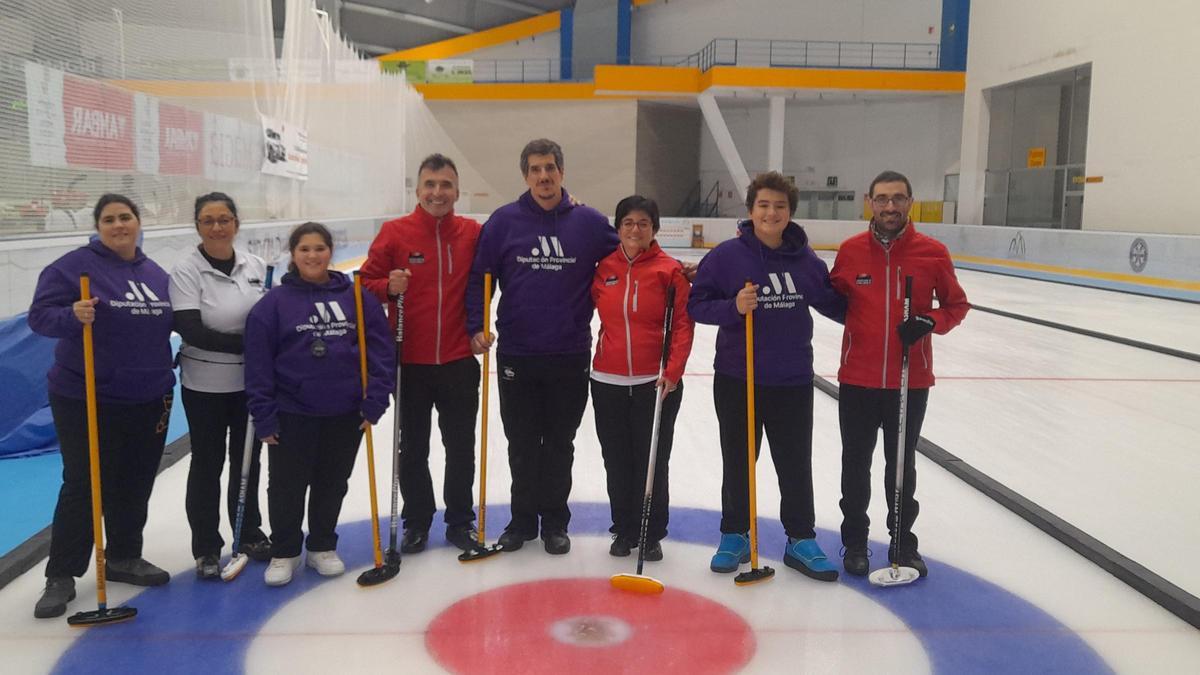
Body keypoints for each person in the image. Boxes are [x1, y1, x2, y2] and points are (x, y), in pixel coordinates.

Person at [688, 171, 846, 582]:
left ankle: (800, 538)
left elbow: (833, 303)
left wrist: (879, 308)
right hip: (739, 378)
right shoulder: (726, 257)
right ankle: (735, 533)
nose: (771, 213)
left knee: (795, 462)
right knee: (739, 460)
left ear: (790, 212)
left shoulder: (807, 261)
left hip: (792, 380)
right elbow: (697, 305)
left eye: (779, 206)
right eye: (763, 205)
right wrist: (733, 308)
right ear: (750, 210)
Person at [467, 139, 620, 555]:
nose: (543, 176)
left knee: (558, 443)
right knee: (520, 441)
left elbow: (626, 255)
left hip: (569, 353)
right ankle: (520, 523)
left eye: (550, 168)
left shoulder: (588, 222)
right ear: (525, 176)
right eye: (535, 169)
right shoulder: (503, 222)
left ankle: (554, 522)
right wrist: (475, 326)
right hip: (517, 352)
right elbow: (481, 278)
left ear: (562, 172)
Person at [28, 193, 176, 618]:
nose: (118, 225)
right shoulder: (73, 267)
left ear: (138, 222)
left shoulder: (155, 273)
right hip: (86, 394)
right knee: (84, 482)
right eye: (109, 219)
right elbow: (40, 316)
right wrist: (72, 315)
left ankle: (124, 555)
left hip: (149, 396)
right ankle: (62, 573)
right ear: (98, 226)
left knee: (136, 479)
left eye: (125, 217)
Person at [831, 170, 969, 578]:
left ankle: (901, 542)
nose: (890, 206)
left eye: (898, 198)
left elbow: (956, 306)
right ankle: (855, 541)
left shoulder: (932, 252)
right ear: (869, 202)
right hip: (857, 378)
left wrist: (930, 322)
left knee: (901, 465)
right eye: (882, 198)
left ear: (910, 202)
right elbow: (833, 298)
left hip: (911, 380)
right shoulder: (851, 251)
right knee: (855, 465)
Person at [244, 222, 393, 586]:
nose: (313, 255)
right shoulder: (273, 305)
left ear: (331, 252)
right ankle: (285, 550)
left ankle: (322, 545)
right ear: (293, 255)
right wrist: (263, 415)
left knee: (332, 482)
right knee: (286, 486)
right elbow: (259, 364)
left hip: (345, 412)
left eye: (320, 248)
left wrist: (374, 400)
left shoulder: (356, 297)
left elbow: (381, 350)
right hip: (293, 412)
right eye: (305, 249)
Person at [359, 154, 483, 554]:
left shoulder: (471, 233)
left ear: (457, 191)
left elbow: (493, 277)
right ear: (418, 190)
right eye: (430, 185)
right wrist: (389, 288)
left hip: (459, 360)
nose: (438, 192)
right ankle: (417, 520)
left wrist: (479, 330)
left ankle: (460, 520)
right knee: (413, 447)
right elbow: (364, 283)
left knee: (461, 446)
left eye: (446, 185)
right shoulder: (395, 233)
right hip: (408, 362)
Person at [169, 193, 271, 580]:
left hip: (250, 384)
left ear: (236, 223)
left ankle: (248, 532)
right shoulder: (185, 270)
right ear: (197, 226)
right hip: (205, 385)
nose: (217, 227)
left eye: (224, 219)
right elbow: (191, 329)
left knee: (248, 462)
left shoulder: (255, 265)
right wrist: (250, 345)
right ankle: (207, 547)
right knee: (208, 464)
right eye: (208, 220)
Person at [591, 196, 694, 561]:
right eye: (628, 223)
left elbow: (682, 325)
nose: (636, 230)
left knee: (652, 459)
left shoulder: (671, 272)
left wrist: (673, 372)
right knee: (616, 459)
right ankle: (623, 528)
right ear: (618, 227)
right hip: (607, 379)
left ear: (655, 228)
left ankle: (650, 532)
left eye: (644, 223)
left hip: (656, 381)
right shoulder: (603, 268)